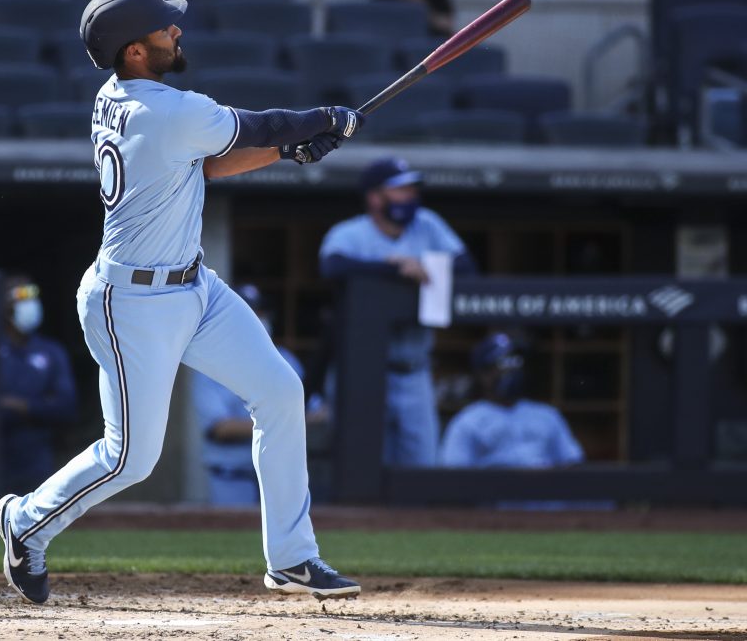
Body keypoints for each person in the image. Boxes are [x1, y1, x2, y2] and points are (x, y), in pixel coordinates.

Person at [0, 0, 366, 605]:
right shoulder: (162, 110)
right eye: (165, 29)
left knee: (279, 390)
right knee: (130, 458)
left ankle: (293, 559)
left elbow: (211, 162)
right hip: (131, 304)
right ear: (133, 51)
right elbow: (258, 123)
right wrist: (322, 121)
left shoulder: (124, 98)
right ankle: (26, 521)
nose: (177, 33)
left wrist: (286, 151)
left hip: (194, 288)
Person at [319, 157, 475, 468]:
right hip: (362, 370)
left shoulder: (427, 224)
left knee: (423, 464)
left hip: (414, 369)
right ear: (375, 197)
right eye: (400, 190)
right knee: (362, 465)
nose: (410, 196)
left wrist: (426, 267)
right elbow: (331, 266)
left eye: (411, 189)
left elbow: (467, 267)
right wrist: (394, 268)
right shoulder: (351, 233)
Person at [189, 283, 307, 506]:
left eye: (259, 313)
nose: (255, 319)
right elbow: (220, 429)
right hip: (232, 477)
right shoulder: (208, 362)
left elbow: (318, 413)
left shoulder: (286, 361)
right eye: (247, 314)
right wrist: (284, 425)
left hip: (280, 480)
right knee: (230, 540)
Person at [439, 332, 584, 469]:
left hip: (541, 493)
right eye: (505, 363)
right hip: (494, 493)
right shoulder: (467, 422)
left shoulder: (547, 415)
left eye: (516, 362)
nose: (512, 368)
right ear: (484, 374)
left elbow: (572, 463)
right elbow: (455, 478)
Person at [0, 275, 79, 494]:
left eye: (32, 296)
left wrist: (23, 406)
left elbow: (66, 406)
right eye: (21, 297)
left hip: (38, 457)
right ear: (5, 306)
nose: (29, 305)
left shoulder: (52, 352)